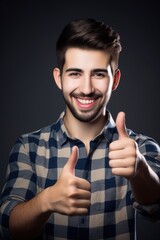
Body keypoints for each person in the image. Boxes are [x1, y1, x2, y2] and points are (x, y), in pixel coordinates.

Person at [0, 18, 160, 240]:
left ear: (115, 80)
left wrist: (140, 168)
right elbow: (8, 229)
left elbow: (156, 208)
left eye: (99, 74)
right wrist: (46, 201)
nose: (86, 89)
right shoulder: (29, 148)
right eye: (75, 73)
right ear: (59, 78)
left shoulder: (142, 147)